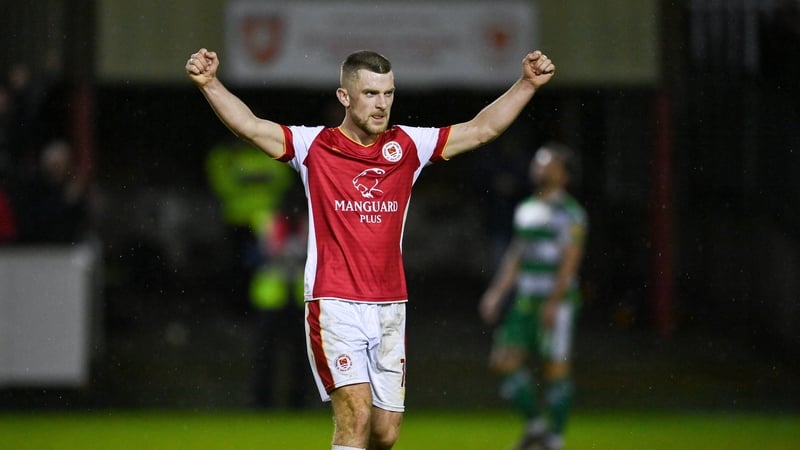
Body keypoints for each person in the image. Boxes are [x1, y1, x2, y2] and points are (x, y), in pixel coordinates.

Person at [186, 46, 555, 450]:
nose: (382, 105)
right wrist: (210, 84)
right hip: (334, 303)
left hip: (390, 306)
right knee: (356, 417)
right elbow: (251, 126)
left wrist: (526, 84)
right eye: (370, 94)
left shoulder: (409, 146)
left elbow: (481, 129)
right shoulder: (315, 148)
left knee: (384, 433)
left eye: (388, 94)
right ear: (344, 96)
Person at [479, 142, 587, 450]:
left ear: (564, 175)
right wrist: (497, 293)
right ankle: (537, 425)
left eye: (548, 164)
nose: (539, 168)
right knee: (503, 359)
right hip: (525, 299)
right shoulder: (526, 208)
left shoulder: (571, 213)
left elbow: (570, 261)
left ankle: (554, 439)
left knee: (555, 368)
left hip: (557, 302)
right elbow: (516, 255)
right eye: (537, 163)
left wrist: (554, 302)